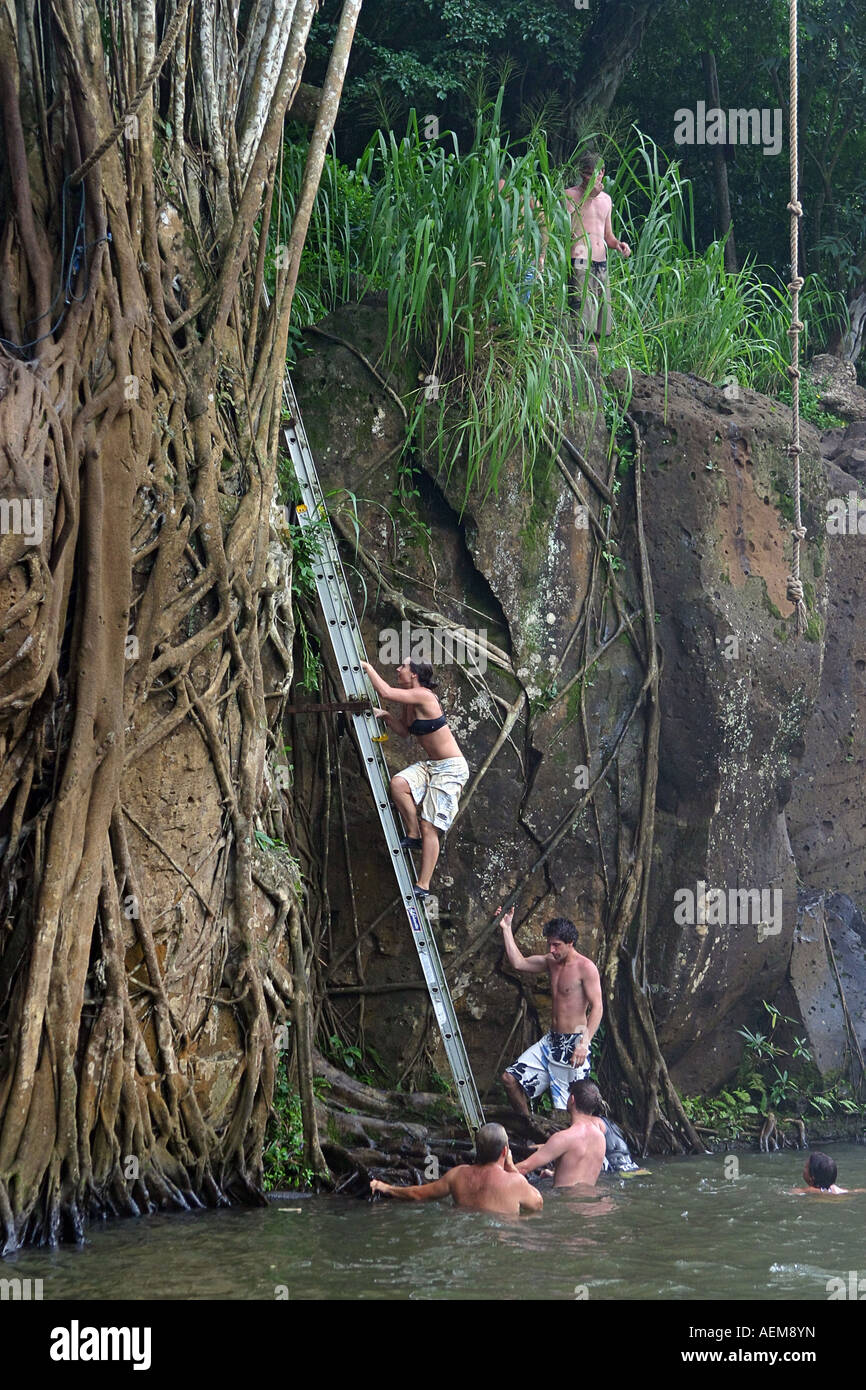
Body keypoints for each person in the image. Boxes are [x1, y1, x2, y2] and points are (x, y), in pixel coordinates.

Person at [361, 657, 469, 897]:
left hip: (451, 768)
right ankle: (412, 835)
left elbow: (386, 691)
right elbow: (404, 732)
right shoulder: (410, 702)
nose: (398, 669)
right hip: (433, 765)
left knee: (429, 825)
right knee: (398, 784)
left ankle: (423, 885)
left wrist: (367, 667)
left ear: (414, 675)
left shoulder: (424, 695)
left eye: (403, 666)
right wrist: (387, 716)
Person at [499, 909, 603, 1115]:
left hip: (573, 1045)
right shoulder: (551, 962)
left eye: (557, 945)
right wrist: (506, 928)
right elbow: (518, 963)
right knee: (510, 1079)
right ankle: (530, 1125)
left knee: (568, 1110)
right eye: (550, 944)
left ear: (570, 942)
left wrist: (584, 1043)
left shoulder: (586, 967)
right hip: (551, 1041)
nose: (552, 949)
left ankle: (565, 1144)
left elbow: (598, 1007)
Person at [369, 1122, 543, 1214]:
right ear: (505, 1151)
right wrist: (511, 1167)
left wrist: (386, 1187)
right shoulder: (515, 1181)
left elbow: (419, 1194)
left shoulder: (457, 1174)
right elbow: (538, 1204)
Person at [564, 152, 631, 347]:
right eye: (586, 174)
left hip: (601, 264)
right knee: (581, 321)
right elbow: (564, 229)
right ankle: (580, 363)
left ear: (602, 173)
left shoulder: (606, 200)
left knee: (600, 325)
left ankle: (593, 367)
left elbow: (607, 235)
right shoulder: (569, 196)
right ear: (580, 173)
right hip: (580, 262)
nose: (590, 178)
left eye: (594, 174)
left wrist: (618, 245)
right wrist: (587, 196)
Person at [514, 1080, 607, 1187]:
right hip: (591, 1201)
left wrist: (495, 1174)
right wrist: (555, 1174)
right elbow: (581, 1175)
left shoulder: (564, 1138)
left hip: (564, 1201)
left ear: (572, 1100)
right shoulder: (601, 1138)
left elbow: (524, 1168)